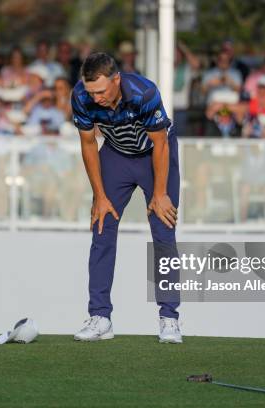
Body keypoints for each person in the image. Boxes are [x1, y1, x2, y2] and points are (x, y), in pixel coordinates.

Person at [71, 52, 182, 343]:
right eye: (91, 91)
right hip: (117, 154)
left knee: (163, 232)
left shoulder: (144, 92)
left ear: (116, 80)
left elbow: (160, 144)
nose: (95, 98)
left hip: (154, 156)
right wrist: (100, 196)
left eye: (101, 91)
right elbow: (88, 143)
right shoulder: (81, 96)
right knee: (101, 227)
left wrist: (159, 194)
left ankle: (169, 318)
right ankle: (100, 318)